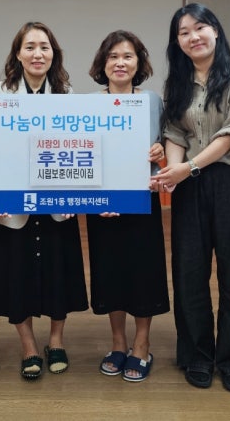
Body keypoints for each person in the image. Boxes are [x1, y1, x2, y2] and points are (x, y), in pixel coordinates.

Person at [150, 3, 230, 393]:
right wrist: (172, 173)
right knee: (189, 272)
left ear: (215, 30)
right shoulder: (177, 84)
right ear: (177, 42)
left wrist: (187, 168)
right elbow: (175, 133)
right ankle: (196, 355)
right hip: (190, 185)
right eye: (183, 32)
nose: (193, 37)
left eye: (199, 28)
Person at [0, 21, 89, 380]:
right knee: (16, 271)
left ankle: (56, 340)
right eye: (29, 47)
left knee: (59, 269)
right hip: (13, 202)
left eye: (44, 47)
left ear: (53, 54)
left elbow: (78, 149)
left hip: (57, 201)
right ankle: (28, 345)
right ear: (18, 54)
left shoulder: (67, 94)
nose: (37, 54)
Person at [86, 30, 170, 382]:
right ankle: (118, 343)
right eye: (113, 56)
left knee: (143, 271)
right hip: (102, 202)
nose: (120, 63)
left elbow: (167, 146)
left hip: (141, 198)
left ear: (139, 63)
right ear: (103, 64)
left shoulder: (152, 101)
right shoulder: (89, 104)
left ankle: (142, 344)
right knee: (110, 271)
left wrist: (160, 151)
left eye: (128, 56)